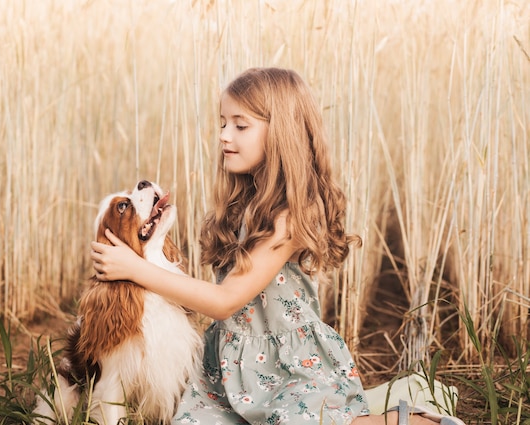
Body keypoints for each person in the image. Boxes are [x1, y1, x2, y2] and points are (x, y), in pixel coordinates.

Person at [91, 67, 463, 425]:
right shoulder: (242, 203)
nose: (224, 135)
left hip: (286, 364)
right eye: (222, 123)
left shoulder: (290, 216)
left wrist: (136, 268)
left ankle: (409, 419)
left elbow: (224, 302)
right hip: (229, 368)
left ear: (281, 133)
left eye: (240, 125)